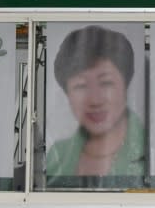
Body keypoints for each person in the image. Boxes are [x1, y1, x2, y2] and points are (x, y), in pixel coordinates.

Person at [46, 25, 144, 182]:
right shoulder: (57, 155)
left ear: (126, 84)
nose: (95, 100)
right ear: (67, 94)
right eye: (81, 86)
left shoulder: (153, 152)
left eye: (106, 83)